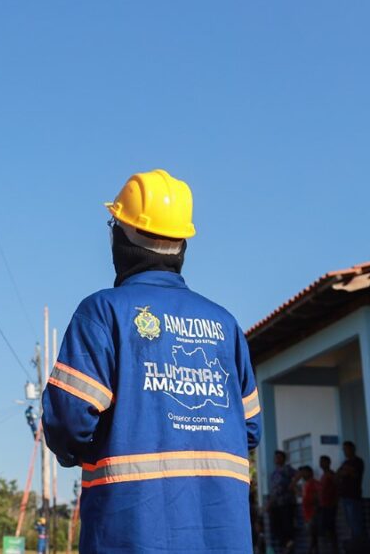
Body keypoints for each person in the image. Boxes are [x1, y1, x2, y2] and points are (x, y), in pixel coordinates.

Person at [42, 169, 262, 553]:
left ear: (119, 237)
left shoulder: (103, 313)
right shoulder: (225, 325)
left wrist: (78, 451)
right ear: (182, 245)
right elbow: (251, 430)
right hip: (223, 538)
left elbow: (67, 420)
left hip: (127, 535)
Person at [268, 450, 297, 552]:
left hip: (286, 503)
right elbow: (273, 490)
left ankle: (289, 545)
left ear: (283, 459)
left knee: (287, 527)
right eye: (276, 457)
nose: (277, 459)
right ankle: (285, 546)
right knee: (276, 528)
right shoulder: (274, 473)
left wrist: (293, 485)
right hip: (276, 504)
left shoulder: (287, 469)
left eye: (279, 457)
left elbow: (298, 474)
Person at [337, 441, 366, 538]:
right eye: (343, 449)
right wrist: (346, 471)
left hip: (353, 496)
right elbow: (338, 474)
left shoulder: (358, 461)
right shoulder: (345, 463)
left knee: (355, 521)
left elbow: (354, 475)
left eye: (346, 449)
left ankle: (359, 543)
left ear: (352, 449)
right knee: (349, 522)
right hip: (344, 496)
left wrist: (348, 471)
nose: (345, 451)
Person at [317, 455, 338, 553]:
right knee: (324, 530)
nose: (321, 464)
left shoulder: (331, 475)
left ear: (328, 463)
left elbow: (336, 486)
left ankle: (334, 550)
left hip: (330, 506)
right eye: (320, 462)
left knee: (330, 530)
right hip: (323, 506)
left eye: (323, 461)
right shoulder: (323, 476)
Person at [298, 465, 321, 553]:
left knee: (312, 538)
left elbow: (317, 499)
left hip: (313, 515)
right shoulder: (305, 485)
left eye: (304, 472)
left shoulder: (314, 483)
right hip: (307, 515)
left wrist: (314, 514)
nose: (302, 475)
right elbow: (292, 487)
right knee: (313, 539)